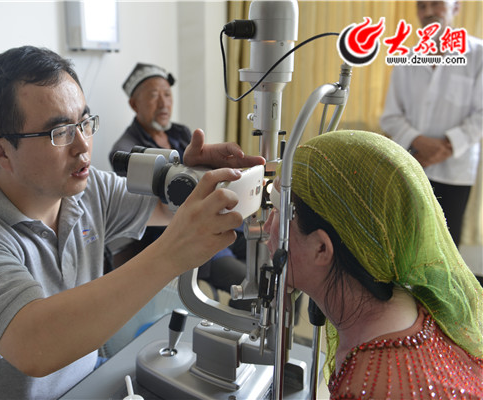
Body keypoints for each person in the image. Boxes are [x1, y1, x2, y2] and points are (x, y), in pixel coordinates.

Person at [0, 46, 264, 399]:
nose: (83, 146)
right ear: (1, 151)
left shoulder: (88, 189)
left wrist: (195, 178)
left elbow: (166, 207)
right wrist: (172, 253)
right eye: (60, 132)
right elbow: (36, 345)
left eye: (85, 123)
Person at [264, 130, 483, 399]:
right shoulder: (414, 311)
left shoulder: (366, 388)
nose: (266, 226)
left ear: (321, 248)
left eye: (278, 211)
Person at [108, 63, 247, 301]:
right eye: (154, 96)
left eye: (167, 95)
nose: (164, 104)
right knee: (252, 287)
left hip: (219, 220)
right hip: (184, 234)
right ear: (134, 104)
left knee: (276, 264)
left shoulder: (180, 133)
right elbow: (156, 209)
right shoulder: (128, 151)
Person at [380, 0, 483, 249]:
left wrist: (445, 147)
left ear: (455, 7)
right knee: (405, 245)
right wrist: (421, 143)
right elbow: (391, 116)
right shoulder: (406, 59)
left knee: (446, 249)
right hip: (411, 168)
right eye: (421, 6)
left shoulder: (478, 55)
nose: (427, 12)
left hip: (454, 173)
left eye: (436, 4)